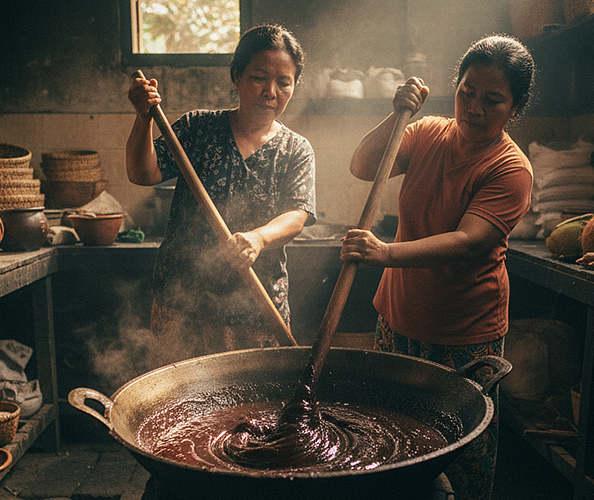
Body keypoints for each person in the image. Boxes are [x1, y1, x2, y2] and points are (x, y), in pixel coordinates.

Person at [341, 34, 535, 500]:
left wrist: (384, 253)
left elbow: (468, 241)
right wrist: (395, 113)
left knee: (458, 447)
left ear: (515, 107)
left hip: (462, 333)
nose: (474, 108)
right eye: (467, 92)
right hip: (397, 316)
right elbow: (363, 166)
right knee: (393, 436)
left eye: (493, 100)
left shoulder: (511, 169)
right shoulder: (426, 132)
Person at [125, 24, 316, 363]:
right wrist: (143, 119)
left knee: (254, 408)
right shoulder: (198, 128)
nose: (271, 91)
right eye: (259, 77)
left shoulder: (296, 149)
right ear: (237, 76)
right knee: (180, 407)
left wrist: (258, 238)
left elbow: (298, 213)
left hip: (256, 309)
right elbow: (142, 172)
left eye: (284, 82)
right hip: (182, 303)